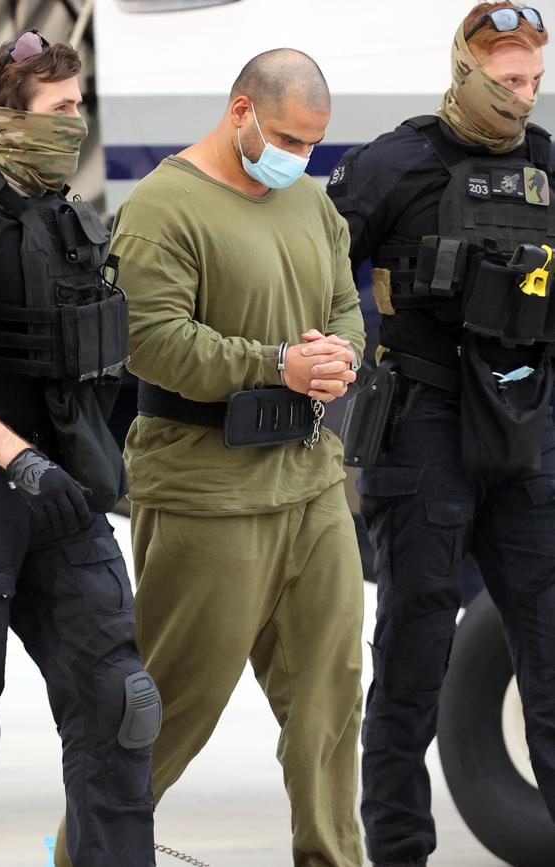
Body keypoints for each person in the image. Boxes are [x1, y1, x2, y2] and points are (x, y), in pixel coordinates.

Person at [54, 46, 367, 867]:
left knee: (331, 705)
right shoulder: (165, 205)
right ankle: (86, 853)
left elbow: (343, 297)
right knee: (169, 707)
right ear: (241, 113)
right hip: (207, 493)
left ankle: (333, 855)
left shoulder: (309, 202)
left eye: (314, 145)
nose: (300, 160)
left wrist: (340, 356)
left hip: (311, 483)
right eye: (290, 139)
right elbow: (151, 342)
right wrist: (276, 364)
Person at [0, 29, 160, 867]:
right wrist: (16, 457)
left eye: (79, 106)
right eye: (61, 109)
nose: (76, 123)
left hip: (60, 494)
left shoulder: (59, 213)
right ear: (6, 116)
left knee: (123, 702)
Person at [327, 4, 555, 865]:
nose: (522, 97)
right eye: (507, 80)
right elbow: (310, 271)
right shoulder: (395, 163)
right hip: (424, 428)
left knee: (550, 652)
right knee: (415, 655)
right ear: (465, 68)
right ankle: (398, 851)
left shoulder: (545, 166)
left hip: (526, 428)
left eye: (534, 80)